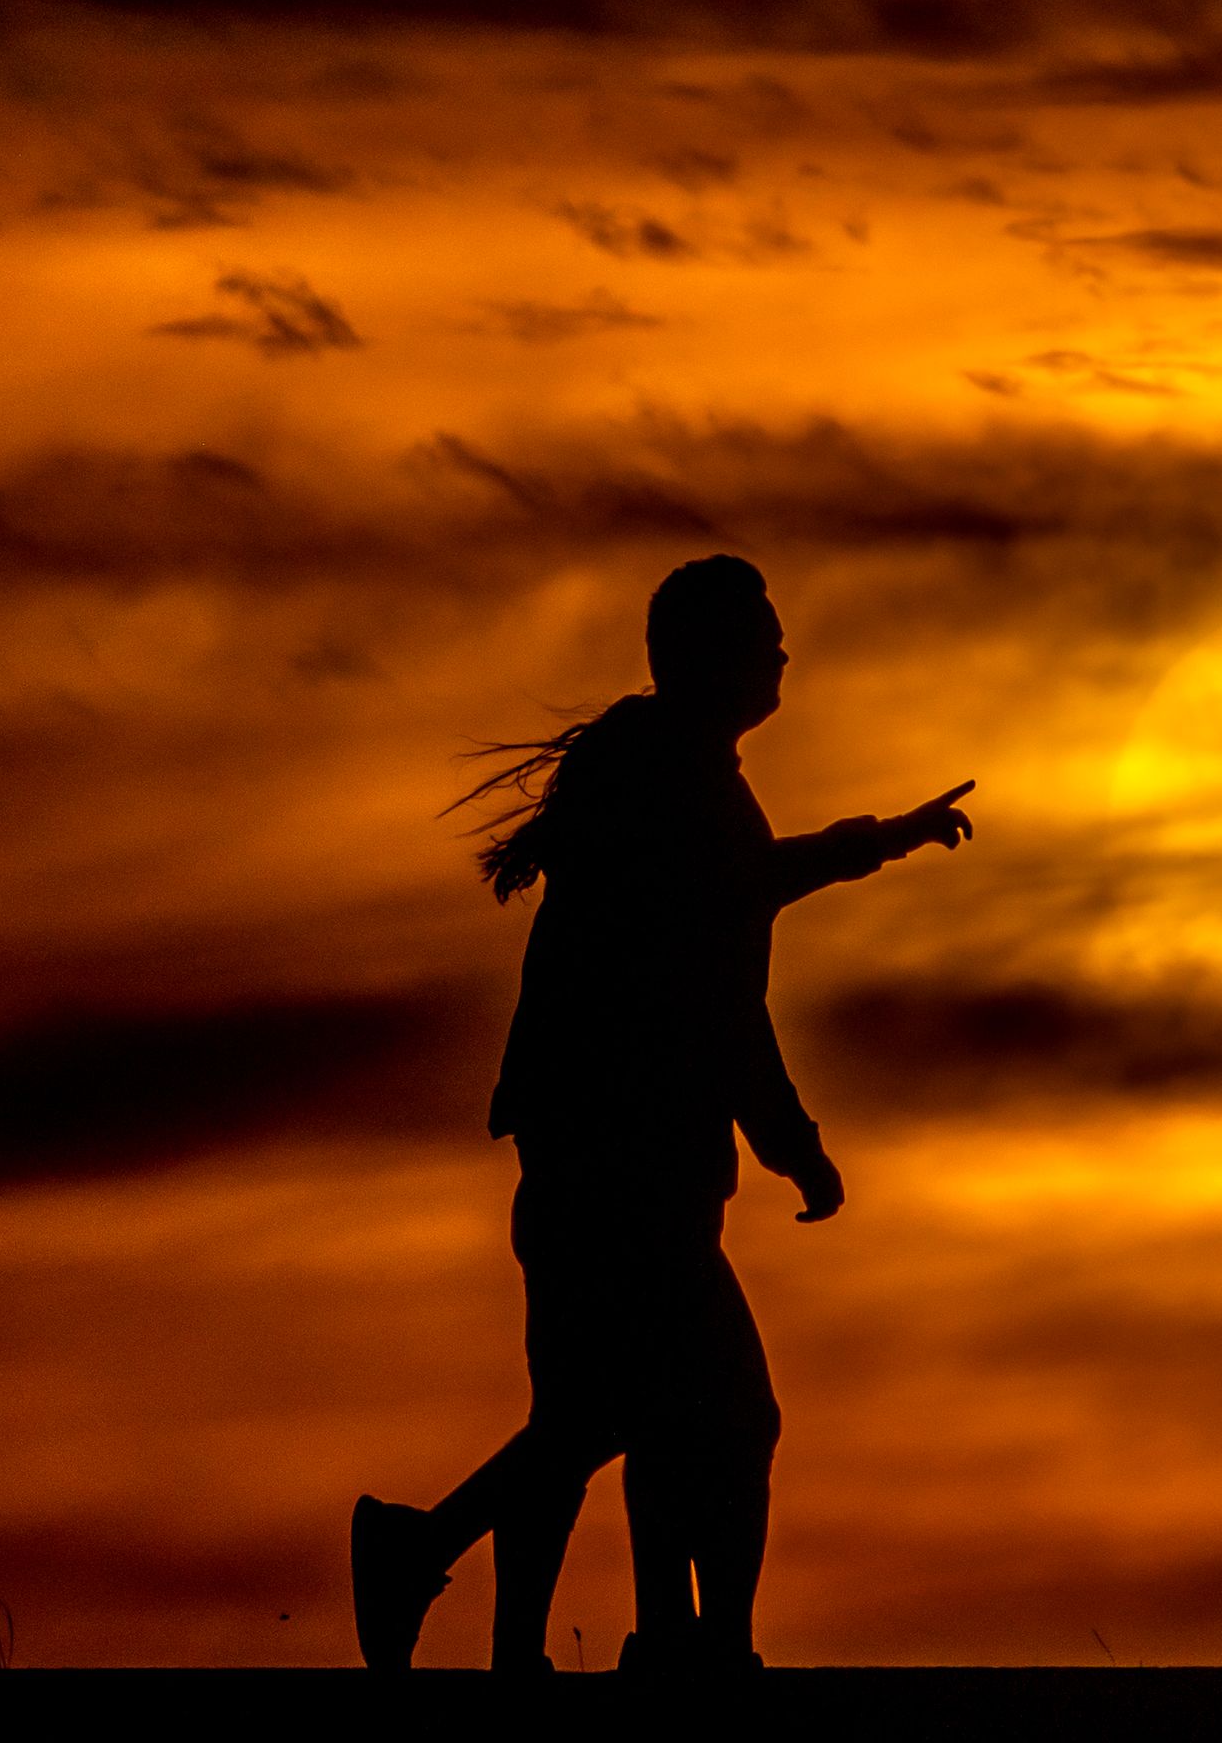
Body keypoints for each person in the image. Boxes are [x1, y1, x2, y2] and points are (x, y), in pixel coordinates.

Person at [350, 555, 973, 1672]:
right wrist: (796, 1147)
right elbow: (721, 992)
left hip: (596, 1156)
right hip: (628, 1167)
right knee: (715, 1412)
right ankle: (667, 1640)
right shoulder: (672, 783)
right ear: (709, 656)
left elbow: (736, 892)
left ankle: (527, 1620)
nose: (783, 655)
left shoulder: (659, 773)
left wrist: (875, 841)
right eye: (764, 637)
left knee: (595, 1413)